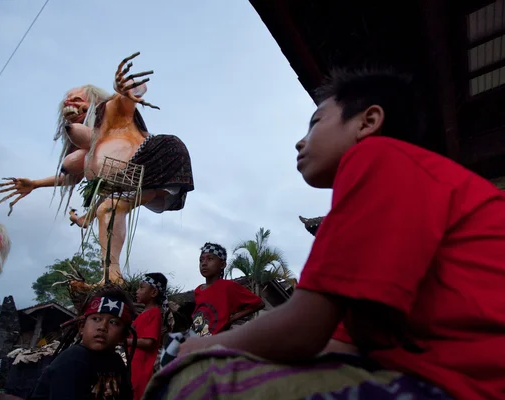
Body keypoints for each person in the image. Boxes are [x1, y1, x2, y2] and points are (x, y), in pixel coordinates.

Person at [144, 69, 505, 400]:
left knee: (199, 378)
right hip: (457, 381)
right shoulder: (394, 198)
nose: (300, 143)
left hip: (470, 387)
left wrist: (203, 347)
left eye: (315, 123)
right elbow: (339, 345)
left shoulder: (377, 157)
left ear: (369, 122)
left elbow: (304, 329)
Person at [30, 287, 135, 400]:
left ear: (123, 336)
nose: (102, 327)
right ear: (82, 327)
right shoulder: (73, 359)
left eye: (113, 322)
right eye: (96, 319)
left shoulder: (117, 363)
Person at [191, 243, 264, 337]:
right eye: (201, 260)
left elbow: (259, 303)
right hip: (198, 340)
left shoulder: (227, 286)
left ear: (222, 264)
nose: (204, 263)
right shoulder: (198, 290)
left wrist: (231, 319)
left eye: (210, 259)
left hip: (217, 341)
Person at [129, 273, 168, 400]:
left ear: (153, 292)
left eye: (141, 288)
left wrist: (125, 341)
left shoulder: (154, 314)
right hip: (134, 366)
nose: (137, 291)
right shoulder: (142, 315)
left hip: (141, 370)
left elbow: (149, 343)